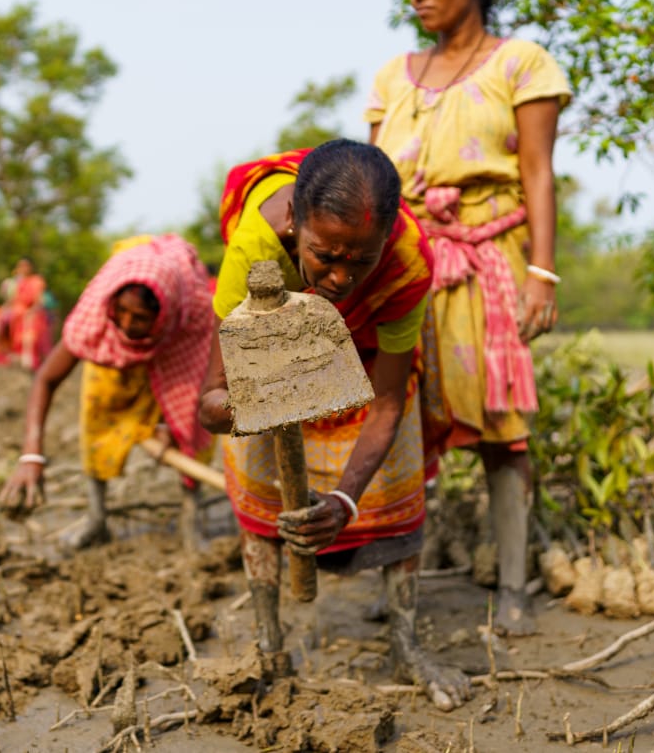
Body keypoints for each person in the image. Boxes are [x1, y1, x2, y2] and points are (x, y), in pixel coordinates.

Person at [198, 139, 469, 710]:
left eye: (360, 260)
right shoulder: (255, 249)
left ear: (387, 239)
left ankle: (405, 642)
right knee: (259, 484)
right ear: (294, 222)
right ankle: (270, 647)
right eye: (325, 255)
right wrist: (247, 409)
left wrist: (345, 501)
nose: (342, 278)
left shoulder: (407, 263)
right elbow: (212, 397)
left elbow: (390, 401)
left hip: (368, 360)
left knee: (398, 483)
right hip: (268, 361)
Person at [365, 0, 572, 636]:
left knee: (499, 428)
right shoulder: (394, 76)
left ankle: (513, 586)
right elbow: (374, 183)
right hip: (407, 264)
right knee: (396, 423)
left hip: (490, 261)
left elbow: (539, 171)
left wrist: (542, 272)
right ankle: (396, 587)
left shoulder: (521, 62)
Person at [0, 234, 215, 551]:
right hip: (111, 366)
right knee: (99, 419)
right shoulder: (98, 320)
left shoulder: (190, 312)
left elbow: (195, 379)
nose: (126, 324)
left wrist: (169, 424)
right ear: (112, 302)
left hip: (173, 349)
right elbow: (45, 379)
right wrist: (31, 455)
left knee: (191, 424)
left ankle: (192, 520)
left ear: (161, 316)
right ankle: (96, 520)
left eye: (139, 318)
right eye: (122, 311)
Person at [0, 258, 54, 371]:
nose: (23, 268)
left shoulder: (36, 281)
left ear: (31, 267)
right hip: (15, 314)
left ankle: (30, 361)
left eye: (25, 265)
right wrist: (3, 311)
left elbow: (39, 302)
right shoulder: (15, 283)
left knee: (29, 329)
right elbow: (11, 301)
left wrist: (29, 312)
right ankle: (0, 355)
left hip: (30, 315)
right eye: (21, 266)